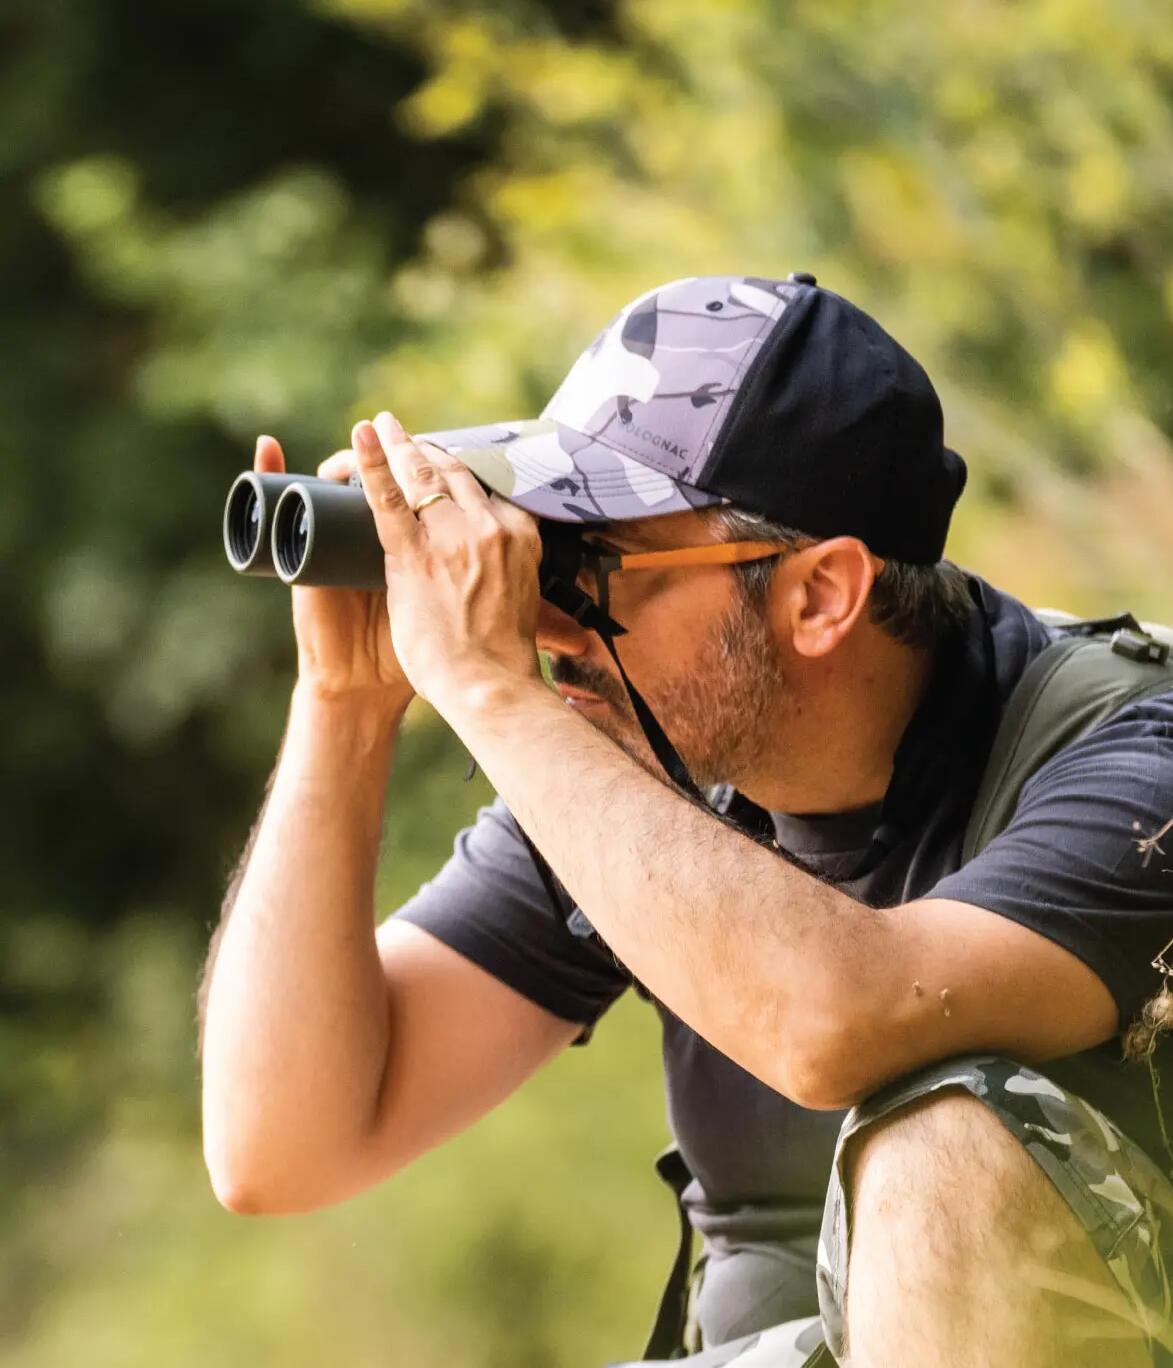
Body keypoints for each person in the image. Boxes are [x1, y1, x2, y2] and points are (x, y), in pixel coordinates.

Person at [199, 274, 1173, 1367]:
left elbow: (839, 1020)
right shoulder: (645, 761)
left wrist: (488, 693)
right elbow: (280, 1147)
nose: (553, 623)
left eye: (593, 566)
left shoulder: (1133, 754)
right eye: (542, 544)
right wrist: (343, 704)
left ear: (819, 595)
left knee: (946, 1141)